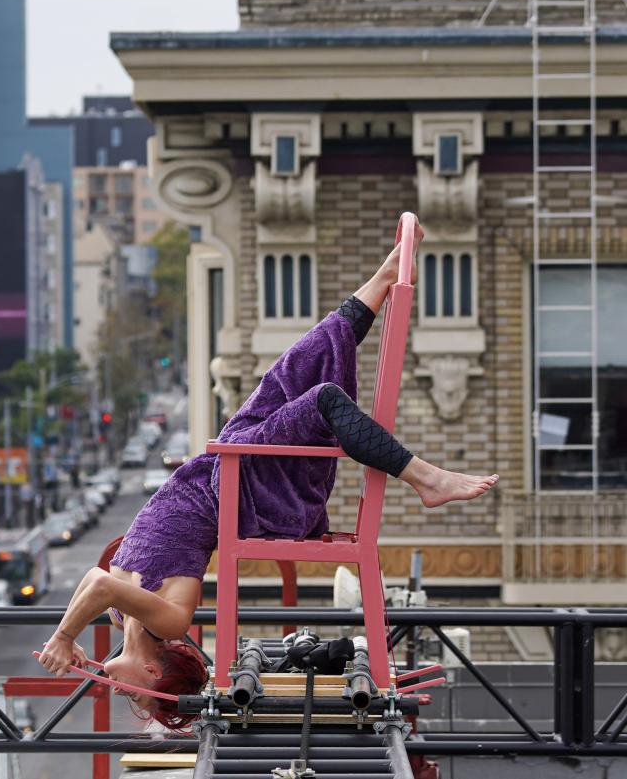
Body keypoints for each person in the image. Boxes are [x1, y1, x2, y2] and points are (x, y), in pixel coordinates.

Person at [36, 223, 498, 730]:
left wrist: (69, 641)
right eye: (140, 698)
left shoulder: (123, 619)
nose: (127, 699)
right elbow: (100, 582)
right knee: (320, 399)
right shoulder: (168, 620)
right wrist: (64, 635)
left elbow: (94, 583)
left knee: (296, 368)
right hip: (240, 490)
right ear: (152, 671)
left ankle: (383, 278)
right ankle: (426, 478)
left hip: (221, 469)